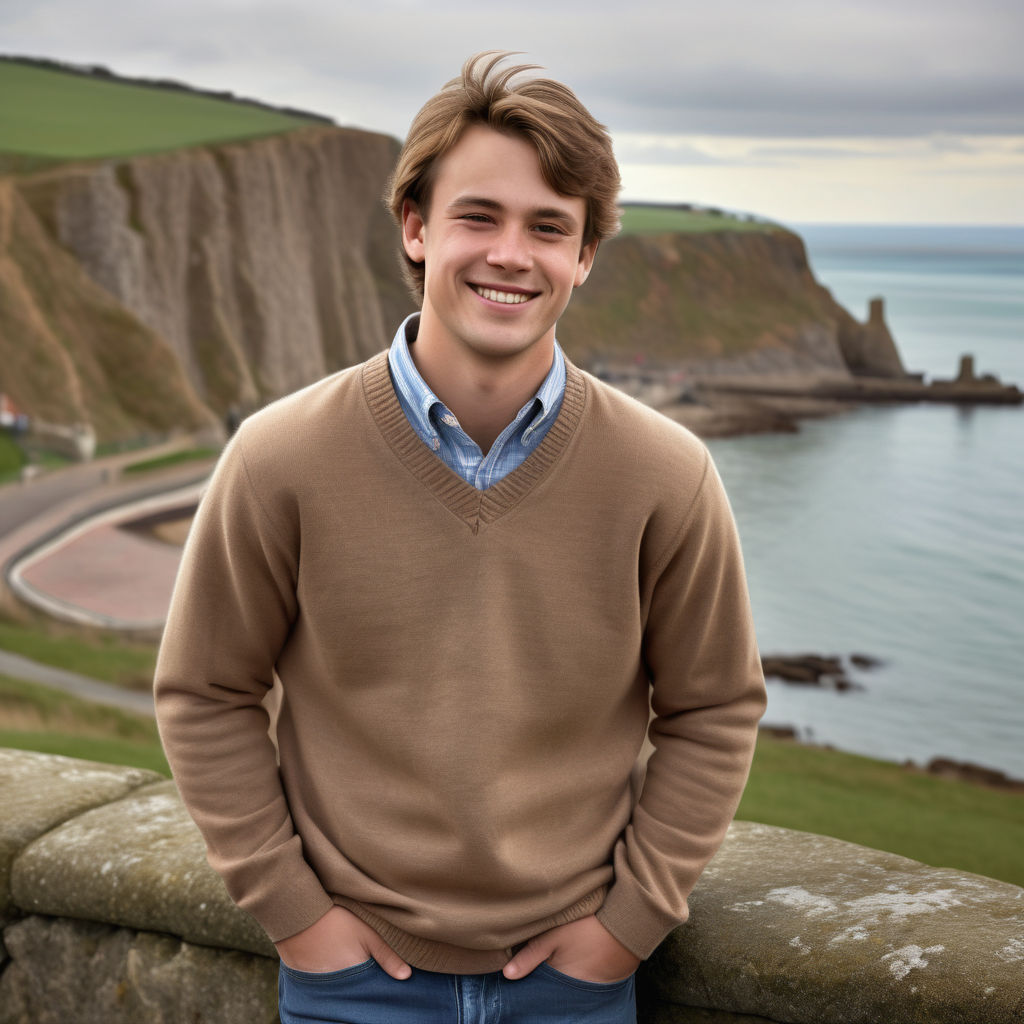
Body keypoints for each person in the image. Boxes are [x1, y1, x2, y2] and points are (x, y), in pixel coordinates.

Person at [154, 51, 766, 1024]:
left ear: (585, 255)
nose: (509, 254)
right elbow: (203, 692)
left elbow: (714, 708)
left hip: (575, 989)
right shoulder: (278, 456)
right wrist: (295, 915)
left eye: (548, 228)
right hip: (349, 986)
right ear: (416, 226)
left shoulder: (665, 471)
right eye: (477, 215)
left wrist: (625, 928)